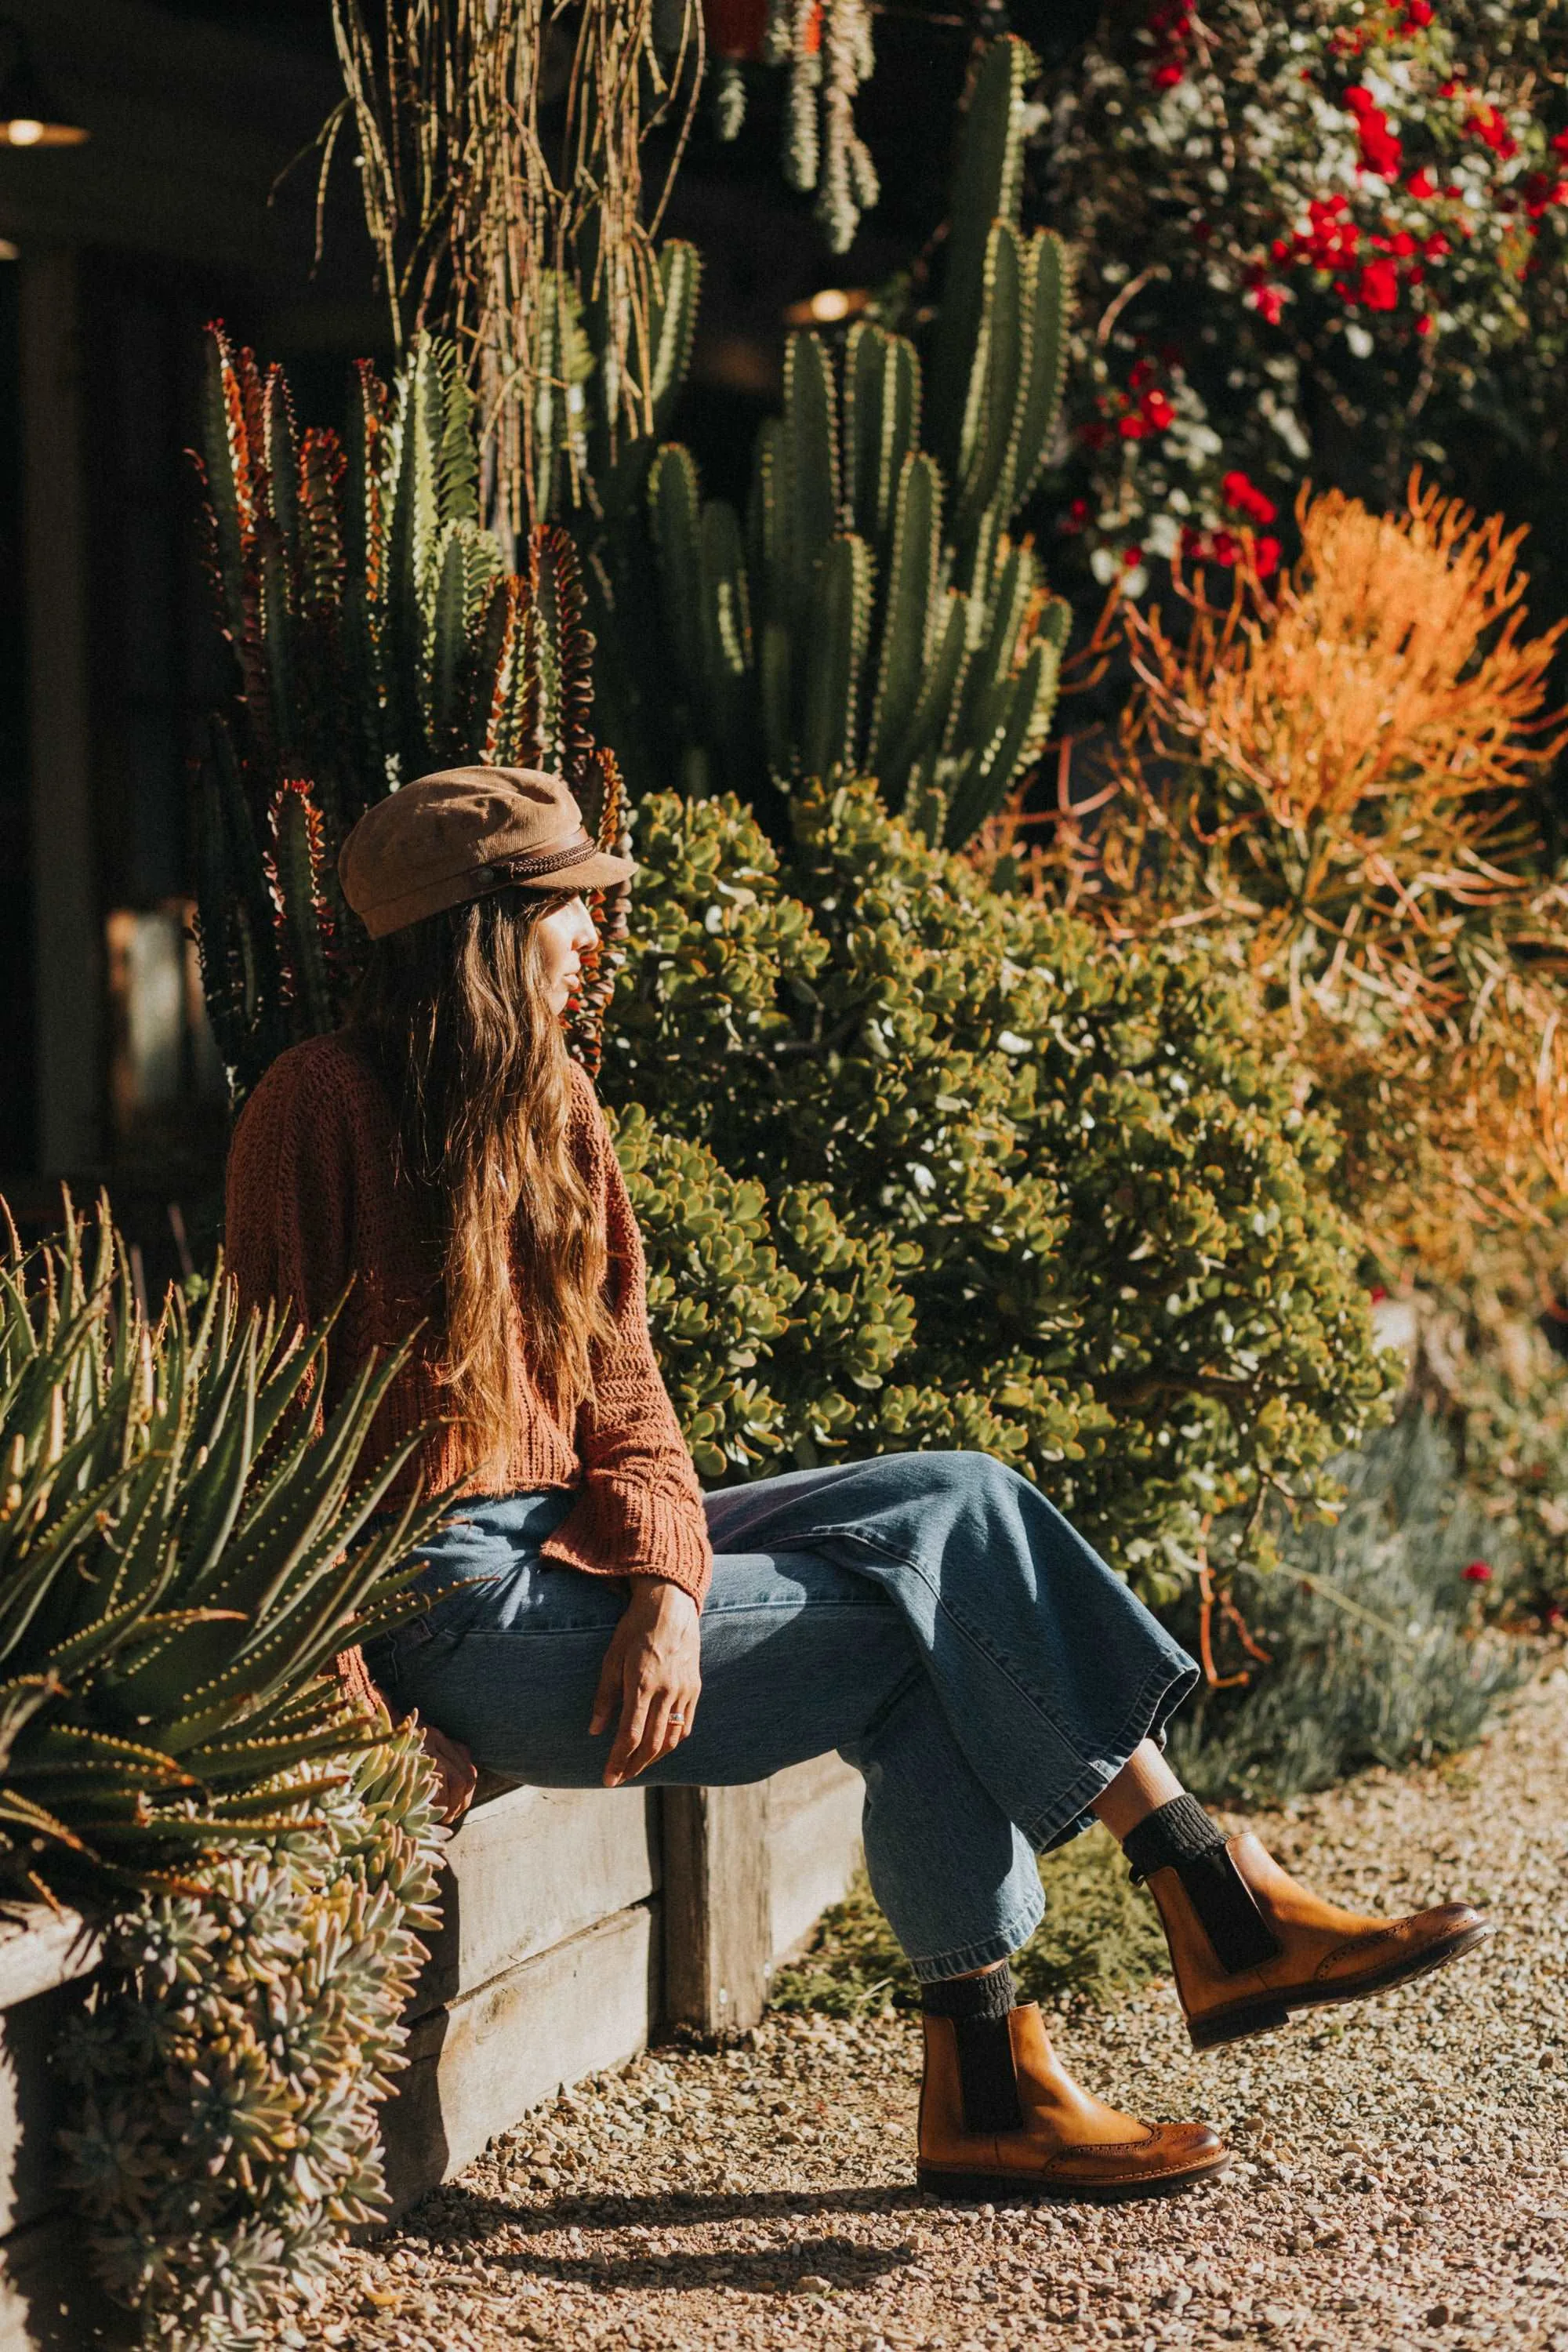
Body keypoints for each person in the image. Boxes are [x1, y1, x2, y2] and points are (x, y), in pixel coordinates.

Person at [225, 765, 1491, 2205]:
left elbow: (628, 1391)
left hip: (571, 1549)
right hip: (448, 1609)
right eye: (575, 907)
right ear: (491, 924)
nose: (597, 935)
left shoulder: (559, 1105)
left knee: (958, 1498)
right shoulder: (312, 1111)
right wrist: (373, 1734)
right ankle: (1060, 2029)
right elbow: (268, 1464)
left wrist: (666, 1584)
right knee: (918, 1641)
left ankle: (1182, 1915)